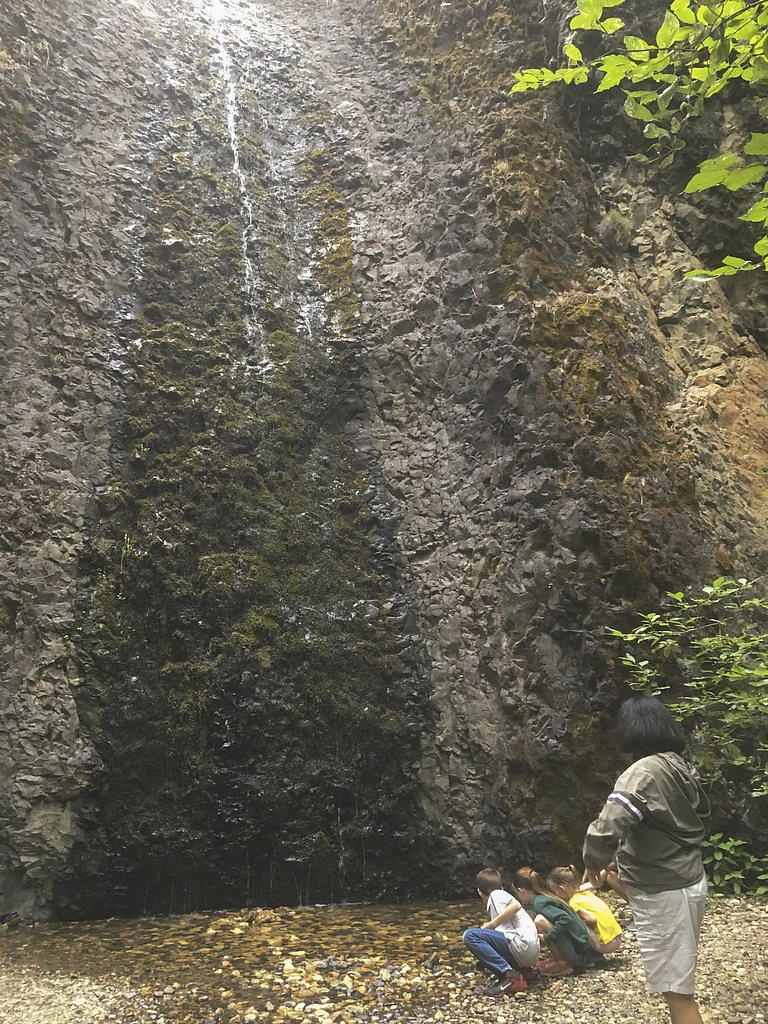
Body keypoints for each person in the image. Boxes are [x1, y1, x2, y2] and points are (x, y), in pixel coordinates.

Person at [583, 694, 711, 1024]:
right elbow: (684, 820)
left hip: (665, 890)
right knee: (680, 981)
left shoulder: (641, 772)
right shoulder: (679, 765)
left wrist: (593, 860)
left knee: (678, 992)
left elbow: (608, 823)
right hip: (689, 879)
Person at [462, 867, 541, 995]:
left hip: (522, 945)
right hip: (530, 952)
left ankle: (511, 977)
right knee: (491, 939)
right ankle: (522, 971)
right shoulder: (500, 896)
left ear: (479, 892)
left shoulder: (496, 894)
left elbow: (515, 905)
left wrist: (493, 924)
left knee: (470, 936)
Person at [511, 866, 591, 976]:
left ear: (521, 891)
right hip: (581, 950)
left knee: (539, 921)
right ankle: (556, 958)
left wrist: (547, 937)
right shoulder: (544, 896)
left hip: (578, 955)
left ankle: (562, 963)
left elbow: (565, 920)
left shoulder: (539, 903)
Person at [546, 865, 623, 956]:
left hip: (606, 944)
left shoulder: (573, 902)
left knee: (570, 921)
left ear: (561, 889)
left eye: (555, 893)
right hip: (617, 937)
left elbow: (591, 919)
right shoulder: (584, 893)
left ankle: (583, 954)